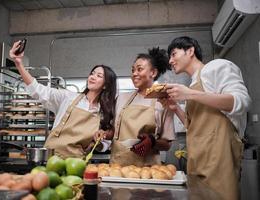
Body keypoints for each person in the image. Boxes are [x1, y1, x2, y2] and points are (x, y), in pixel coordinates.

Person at [165, 36, 251, 200]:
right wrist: (175, 108)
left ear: (190, 51)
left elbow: (242, 101)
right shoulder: (191, 85)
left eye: (173, 54)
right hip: (197, 161)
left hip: (219, 160)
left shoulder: (216, 67)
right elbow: (193, 126)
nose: (170, 60)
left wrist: (190, 94)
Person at [9, 40, 117, 159]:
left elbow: (106, 144)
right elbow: (38, 90)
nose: (92, 77)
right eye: (92, 73)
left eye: (99, 76)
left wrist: (97, 142)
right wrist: (19, 64)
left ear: (106, 85)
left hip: (76, 164)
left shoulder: (103, 113)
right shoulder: (68, 97)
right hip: (52, 158)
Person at [107, 47, 175, 167]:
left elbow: (167, 144)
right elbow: (114, 132)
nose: (134, 74)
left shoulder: (163, 102)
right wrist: (105, 134)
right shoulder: (121, 98)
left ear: (153, 73)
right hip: (117, 167)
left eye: (139, 69)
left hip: (148, 170)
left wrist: (152, 142)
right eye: (133, 70)